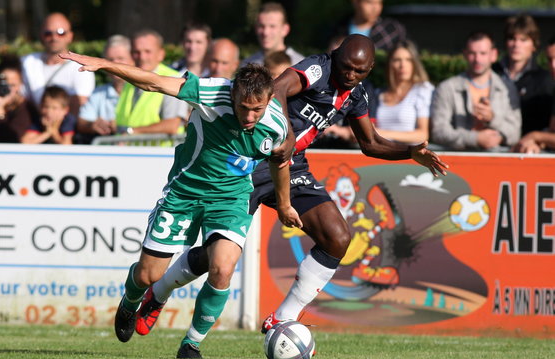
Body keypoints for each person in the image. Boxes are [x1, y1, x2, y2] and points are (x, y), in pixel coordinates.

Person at [136, 34, 448, 339]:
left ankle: (281, 318)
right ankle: (159, 292)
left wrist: (409, 152)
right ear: (336, 56)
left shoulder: (356, 95)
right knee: (216, 258)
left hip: (291, 166)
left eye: (360, 71)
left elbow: (371, 143)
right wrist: (284, 135)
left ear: (369, 70)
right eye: (346, 66)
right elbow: (279, 89)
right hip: (252, 159)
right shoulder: (318, 68)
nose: (351, 74)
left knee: (337, 238)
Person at [60, 51, 302, 358]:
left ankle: (191, 343)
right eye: (244, 108)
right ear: (234, 95)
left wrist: (284, 205)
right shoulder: (213, 92)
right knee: (148, 275)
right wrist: (105, 64)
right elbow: (154, 83)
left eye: (258, 109)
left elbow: (280, 164)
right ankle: (131, 301)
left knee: (222, 269)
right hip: (184, 192)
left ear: (268, 101)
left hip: (230, 198)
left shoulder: (276, 125)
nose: (250, 116)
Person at [431, 31, 521, 151]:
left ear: (493, 55)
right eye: (472, 53)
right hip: (457, 161)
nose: (477, 59)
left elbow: (515, 132)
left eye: (483, 53)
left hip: (498, 162)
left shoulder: (507, 88)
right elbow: (438, 132)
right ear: (465, 54)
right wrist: (475, 138)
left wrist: (492, 120)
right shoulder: (447, 88)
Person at [115, 29, 188, 138]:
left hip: (162, 153)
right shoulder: (129, 80)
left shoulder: (173, 79)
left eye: (148, 51)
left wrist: (131, 132)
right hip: (130, 153)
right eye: (136, 52)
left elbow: (172, 125)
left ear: (161, 54)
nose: (142, 57)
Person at [21, 12, 95, 115]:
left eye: (61, 32)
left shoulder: (81, 66)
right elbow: (20, 98)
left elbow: (81, 103)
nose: (54, 37)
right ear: (41, 36)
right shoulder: (27, 62)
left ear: (70, 36)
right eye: (48, 33)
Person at [492, 14, 554, 136]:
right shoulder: (490, 74)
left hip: (532, 149)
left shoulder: (545, 79)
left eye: (523, 39)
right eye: (512, 39)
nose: (516, 45)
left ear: (534, 45)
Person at [75, 35, 134, 144]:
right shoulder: (98, 93)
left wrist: (126, 130)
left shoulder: (144, 90)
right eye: (110, 60)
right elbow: (81, 123)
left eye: (120, 58)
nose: (114, 64)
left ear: (133, 60)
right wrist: (93, 125)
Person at [373, 40, 434, 144]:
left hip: (410, 156)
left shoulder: (423, 90)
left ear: (414, 63)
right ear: (390, 64)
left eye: (408, 60)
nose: (403, 65)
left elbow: (423, 135)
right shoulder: (378, 93)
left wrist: (382, 134)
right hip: (382, 154)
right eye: (397, 60)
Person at [0, 55, 37, 143]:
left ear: (21, 84)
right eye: (4, 84)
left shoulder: (25, 108)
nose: (8, 89)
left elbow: (10, 140)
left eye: (13, 85)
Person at [241, 2, 304, 67]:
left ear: (285, 29)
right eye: (261, 26)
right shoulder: (247, 64)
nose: (266, 32)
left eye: (272, 26)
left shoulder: (300, 66)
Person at [337, 0, 406, 52]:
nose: (375, 8)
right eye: (369, 2)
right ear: (355, 2)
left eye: (379, 3)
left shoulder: (392, 30)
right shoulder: (339, 29)